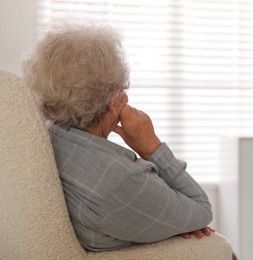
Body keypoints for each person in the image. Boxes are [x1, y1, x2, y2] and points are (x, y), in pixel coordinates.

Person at [22, 22, 214, 252]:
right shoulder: (122, 181)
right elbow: (202, 209)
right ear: (113, 104)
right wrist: (151, 147)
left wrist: (168, 213)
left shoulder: (47, 136)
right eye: (122, 89)